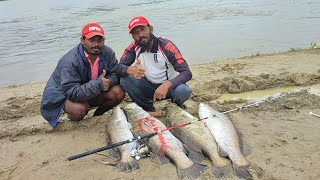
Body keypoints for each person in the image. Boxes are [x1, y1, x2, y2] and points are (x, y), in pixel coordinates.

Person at [41, 22, 124, 128]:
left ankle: (97, 115)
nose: (96, 44)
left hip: (89, 90)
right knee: (79, 110)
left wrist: (108, 82)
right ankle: (72, 118)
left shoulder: (107, 52)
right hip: (63, 96)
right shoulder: (69, 61)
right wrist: (98, 84)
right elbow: (71, 92)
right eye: (91, 40)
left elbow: (115, 74)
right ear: (82, 40)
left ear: (104, 40)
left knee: (118, 92)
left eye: (99, 40)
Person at [116, 16, 192, 112]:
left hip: (170, 88)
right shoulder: (133, 47)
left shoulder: (166, 46)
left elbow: (186, 73)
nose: (141, 35)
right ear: (133, 37)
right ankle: (149, 108)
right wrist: (130, 70)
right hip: (149, 87)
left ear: (151, 29)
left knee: (184, 91)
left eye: (143, 29)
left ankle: (175, 106)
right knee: (125, 79)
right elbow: (119, 67)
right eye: (136, 33)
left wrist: (167, 84)